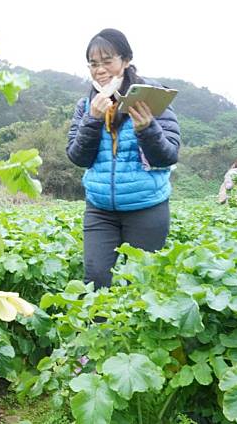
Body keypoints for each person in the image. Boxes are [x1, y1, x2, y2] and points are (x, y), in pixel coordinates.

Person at [66, 28, 181, 290]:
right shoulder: (87, 105)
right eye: (93, 64)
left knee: (140, 284)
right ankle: (97, 330)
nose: (100, 70)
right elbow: (78, 157)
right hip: (100, 209)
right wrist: (92, 121)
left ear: (126, 60)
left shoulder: (152, 98)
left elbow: (167, 156)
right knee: (96, 278)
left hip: (146, 207)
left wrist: (147, 128)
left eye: (107, 61)